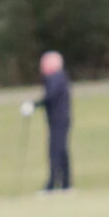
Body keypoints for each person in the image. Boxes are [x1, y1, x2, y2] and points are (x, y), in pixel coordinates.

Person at [24, 50, 72, 190]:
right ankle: (65, 183)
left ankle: (53, 184)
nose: (42, 67)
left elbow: (50, 96)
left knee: (55, 151)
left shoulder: (55, 78)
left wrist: (34, 105)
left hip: (59, 120)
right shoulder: (58, 77)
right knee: (61, 150)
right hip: (59, 119)